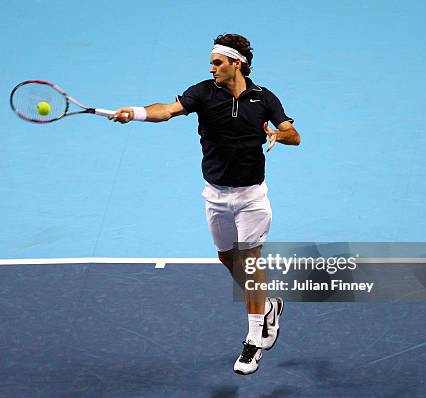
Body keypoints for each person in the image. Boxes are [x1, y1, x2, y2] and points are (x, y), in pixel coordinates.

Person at [109, 33, 300, 375]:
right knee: (227, 258)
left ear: (235, 64)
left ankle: (254, 340)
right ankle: (268, 307)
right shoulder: (202, 92)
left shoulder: (263, 98)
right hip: (214, 193)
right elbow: (166, 111)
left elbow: (293, 135)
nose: (211, 67)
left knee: (249, 258)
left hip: (251, 196)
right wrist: (135, 113)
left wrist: (278, 134)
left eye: (217, 62)